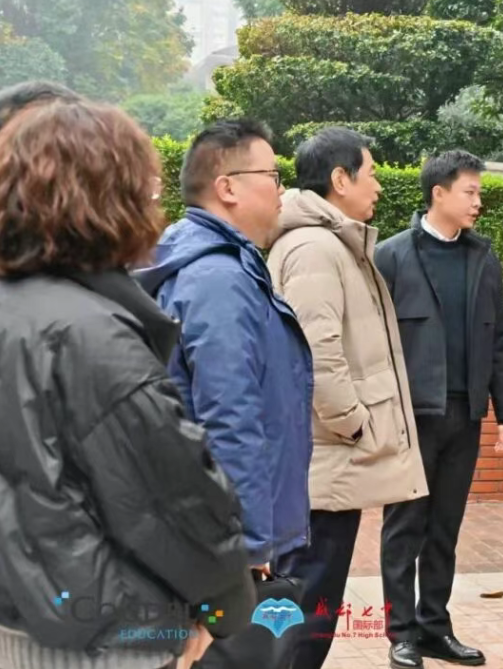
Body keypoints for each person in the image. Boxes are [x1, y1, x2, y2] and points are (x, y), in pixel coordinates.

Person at [0, 99, 256, 669]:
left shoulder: (20, 311)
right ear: (108, 199)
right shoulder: (92, 335)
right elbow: (175, 503)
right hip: (100, 634)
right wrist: (224, 608)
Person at [133, 120, 314, 664]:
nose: (281, 189)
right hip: (220, 541)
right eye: (272, 175)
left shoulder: (219, 265)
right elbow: (229, 416)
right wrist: (248, 546)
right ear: (227, 186)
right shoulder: (217, 279)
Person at [265, 126, 429, 668]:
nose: (378, 185)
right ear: (340, 178)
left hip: (326, 463)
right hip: (324, 464)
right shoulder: (315, 249)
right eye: (372, 172)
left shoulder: (330, 243)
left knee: (307, 607)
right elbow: (317, 353)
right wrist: (354, 424)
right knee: (303, 613)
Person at [375, 150, 503, 668]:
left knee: (445, 527)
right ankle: (401, 633)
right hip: (412, 417)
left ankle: (434, 628)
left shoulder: (483, 258)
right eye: (470, 192)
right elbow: (374, 341)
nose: (478, 202)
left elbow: (499, 338)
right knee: (404, 526)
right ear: (438, 193)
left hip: (466, 415)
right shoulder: (392, 256)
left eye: (479, 192)